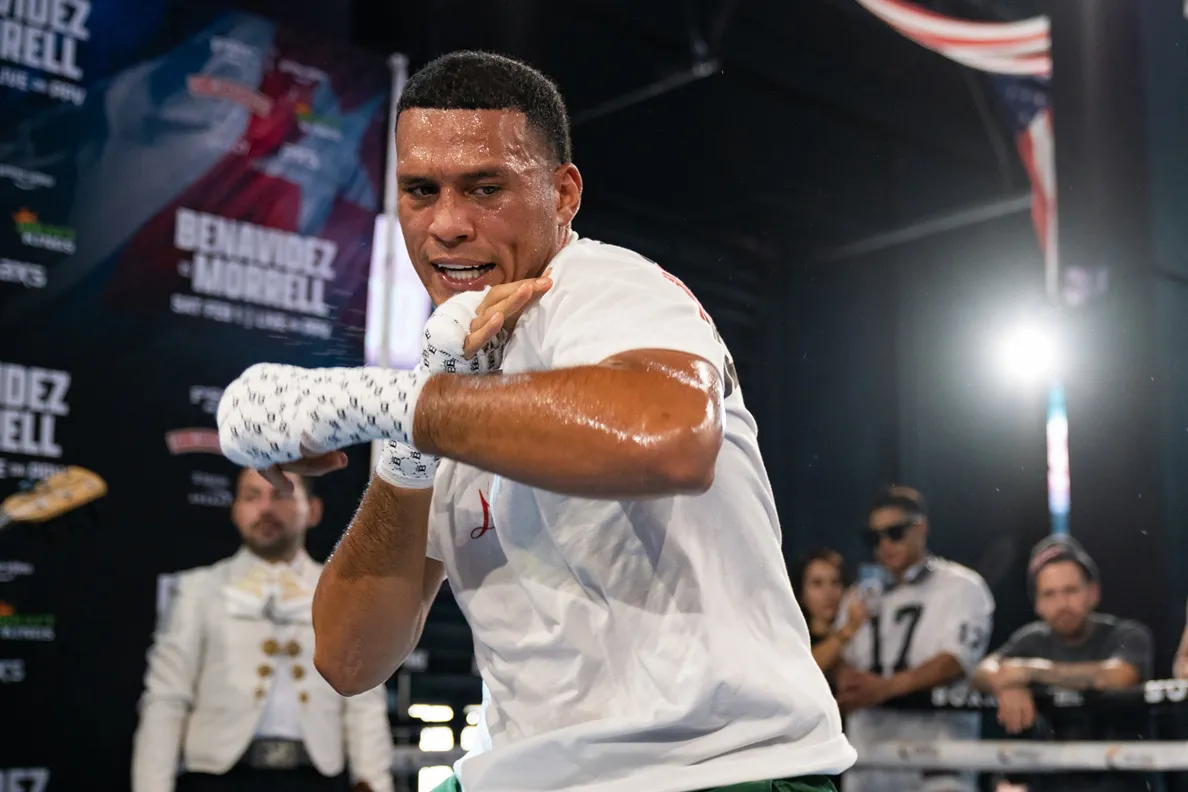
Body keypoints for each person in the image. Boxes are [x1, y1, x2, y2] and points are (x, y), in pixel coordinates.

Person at [215, 50, 855, 792]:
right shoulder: (452, 371)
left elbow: (673, 436)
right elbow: (351, 658)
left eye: (485, 188)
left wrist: (382, 403)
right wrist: (405, 442)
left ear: (563, 193)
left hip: (706, 772)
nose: (447, 224)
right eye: (421, 191)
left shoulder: (604, 289)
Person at [131, 469, 394, 792]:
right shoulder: (198, 589)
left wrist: (375, 785)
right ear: (236, 510)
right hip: (217, 781)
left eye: (281, 494)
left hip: (315, 781)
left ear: (313, 510)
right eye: (252, 496)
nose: (266, 508)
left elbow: (363, 705)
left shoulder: (344, 594)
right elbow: (166, 701)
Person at [835, 485, 995, 792]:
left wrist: (883, 688)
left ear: (921, 528)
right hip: (869, 763)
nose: (884, 544)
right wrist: (845, 678)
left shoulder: (963, 586)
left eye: (894, 532)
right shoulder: (858, 594)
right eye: (874, 537)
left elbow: (956, 662)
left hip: (940, 764)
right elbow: (843, 660)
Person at [971, 535, 1153, 792]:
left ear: (1093, 593)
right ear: (1037, 602)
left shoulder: (1127, 634)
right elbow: (981, 672)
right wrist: (1007, 685)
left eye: (1070, 591)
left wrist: (1031, 672)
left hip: (1118, 784)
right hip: (1052, 784)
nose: (1062, 604)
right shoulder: (1030, 639)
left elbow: (1120, 676)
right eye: (1050, 594)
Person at [791, 548, 868, 678]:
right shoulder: (792, 638)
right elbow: (800, 671)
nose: (828, 593)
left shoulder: (858, 641)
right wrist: (848, 629)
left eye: (835, 582)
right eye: (817, 583)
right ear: (801, 592)